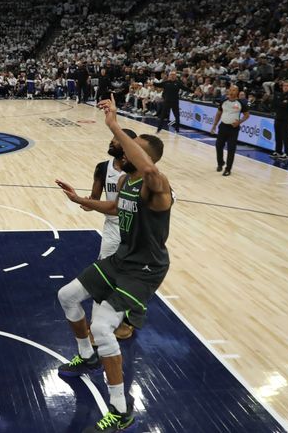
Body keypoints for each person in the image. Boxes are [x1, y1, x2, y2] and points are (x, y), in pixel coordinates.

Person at [55, 94, 173, 433]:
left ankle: (120, 410)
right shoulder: (125, 181)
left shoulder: (159, 186)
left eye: (132, 145)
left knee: (104, 326)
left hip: (145, 270)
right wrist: (82, 200)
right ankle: (87, 355)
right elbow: (116, 207)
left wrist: (114, 125)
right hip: (121, 259)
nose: (123, 149)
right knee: (67, 296)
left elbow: (149, 168)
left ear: (144, 155)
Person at [81, 128, 138, 340]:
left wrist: (86, 202)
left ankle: (122, 321)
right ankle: (97, 326)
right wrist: (87, 202)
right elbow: (96, 197)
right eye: (113, 138)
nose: (112, 142)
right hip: (113, 227)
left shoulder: (138, 170)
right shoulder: (102, 168)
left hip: (135, 229)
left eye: (116, 139)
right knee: (104, 275)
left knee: (128, 277)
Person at [209, 85, 249, 177]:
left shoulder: (241, 103)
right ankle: (220, 163)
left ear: (237, 92)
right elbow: (219, 113)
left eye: (234, 90)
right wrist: (214, 125)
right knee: (218, 146)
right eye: (230, 90)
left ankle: (228, 169)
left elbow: (247, 115)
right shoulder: (223, 101)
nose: (231, 92)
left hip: (233, 129)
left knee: (231, 149)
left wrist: (239, 122)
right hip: (223, 126)